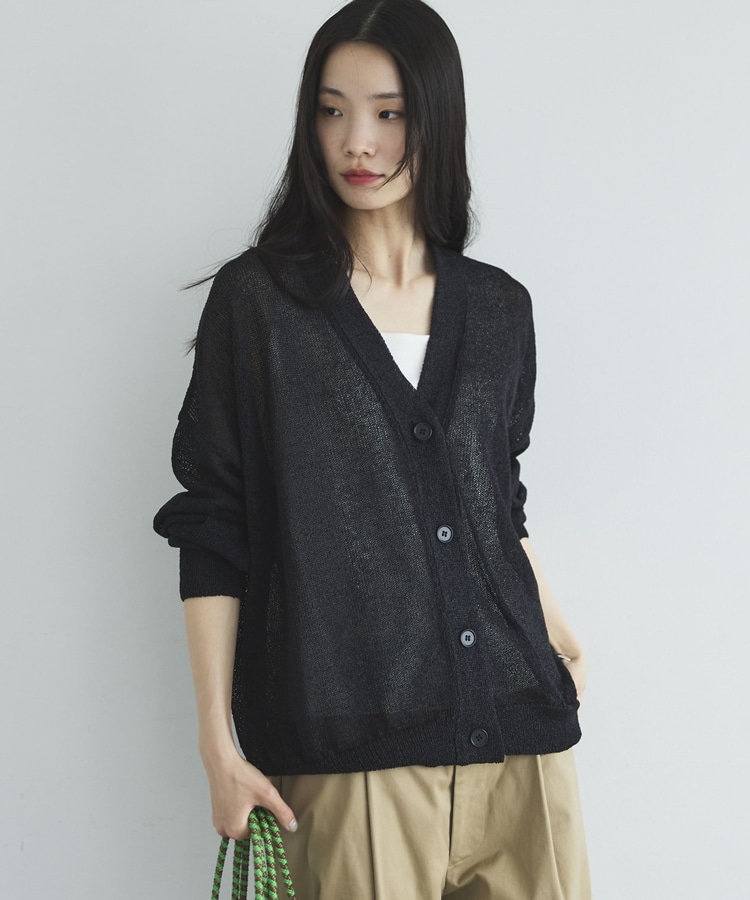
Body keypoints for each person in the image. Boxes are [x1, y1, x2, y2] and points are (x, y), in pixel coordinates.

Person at [153, 1, 591, 896]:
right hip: (351, 749)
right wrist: (217, 746)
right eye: (331, 110)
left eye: (390, 113)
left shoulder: (498, 307)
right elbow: (215, 525)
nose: (358, 141)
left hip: (524, 732)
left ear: (438, 119)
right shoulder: (260, 306)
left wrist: (560, 637)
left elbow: (495, 498)